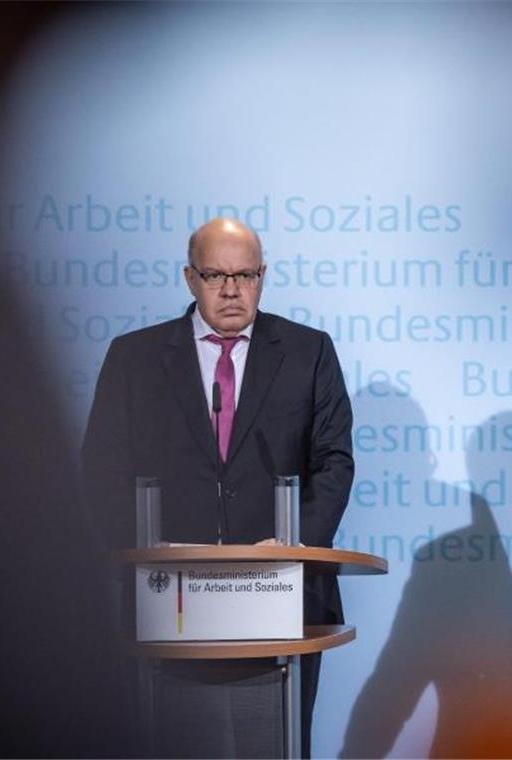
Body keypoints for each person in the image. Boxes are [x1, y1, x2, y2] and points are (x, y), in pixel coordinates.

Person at [81, 217, 354, 757]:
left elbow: (334, 461)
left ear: (263, 276)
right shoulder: (134, 357)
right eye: (215, 275)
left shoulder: (308, 351)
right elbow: (101, 467)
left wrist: (297, 543)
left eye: (246, 275)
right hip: (169, 600)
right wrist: (141, 550)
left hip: (282, 592)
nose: (232, 290)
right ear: (189, 278)